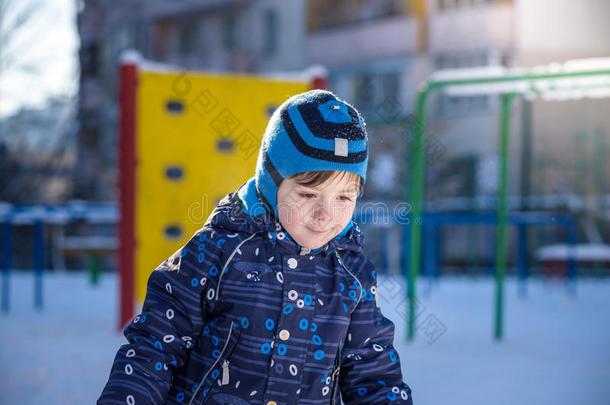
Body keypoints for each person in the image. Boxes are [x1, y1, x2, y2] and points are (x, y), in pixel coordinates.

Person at [98, 90, 413, 405]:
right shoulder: (216, 252)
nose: (325, 215)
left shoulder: (351, 274)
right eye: (307, 195)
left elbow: (375, 376)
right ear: (271, 182)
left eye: (344, 197)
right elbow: (155, 348)